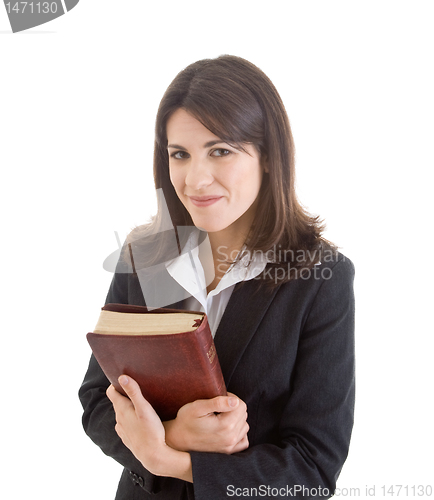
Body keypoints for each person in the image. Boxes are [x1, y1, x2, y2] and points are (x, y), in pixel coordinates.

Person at [79, 55, 355, 500]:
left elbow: (312, 468)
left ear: (267, 157)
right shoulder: (146, 256)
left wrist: (169, 458)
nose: (195, 178)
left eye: (221, 151)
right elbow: (96, 401)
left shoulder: (318, 278)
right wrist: (174, 431)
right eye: (180, 154)